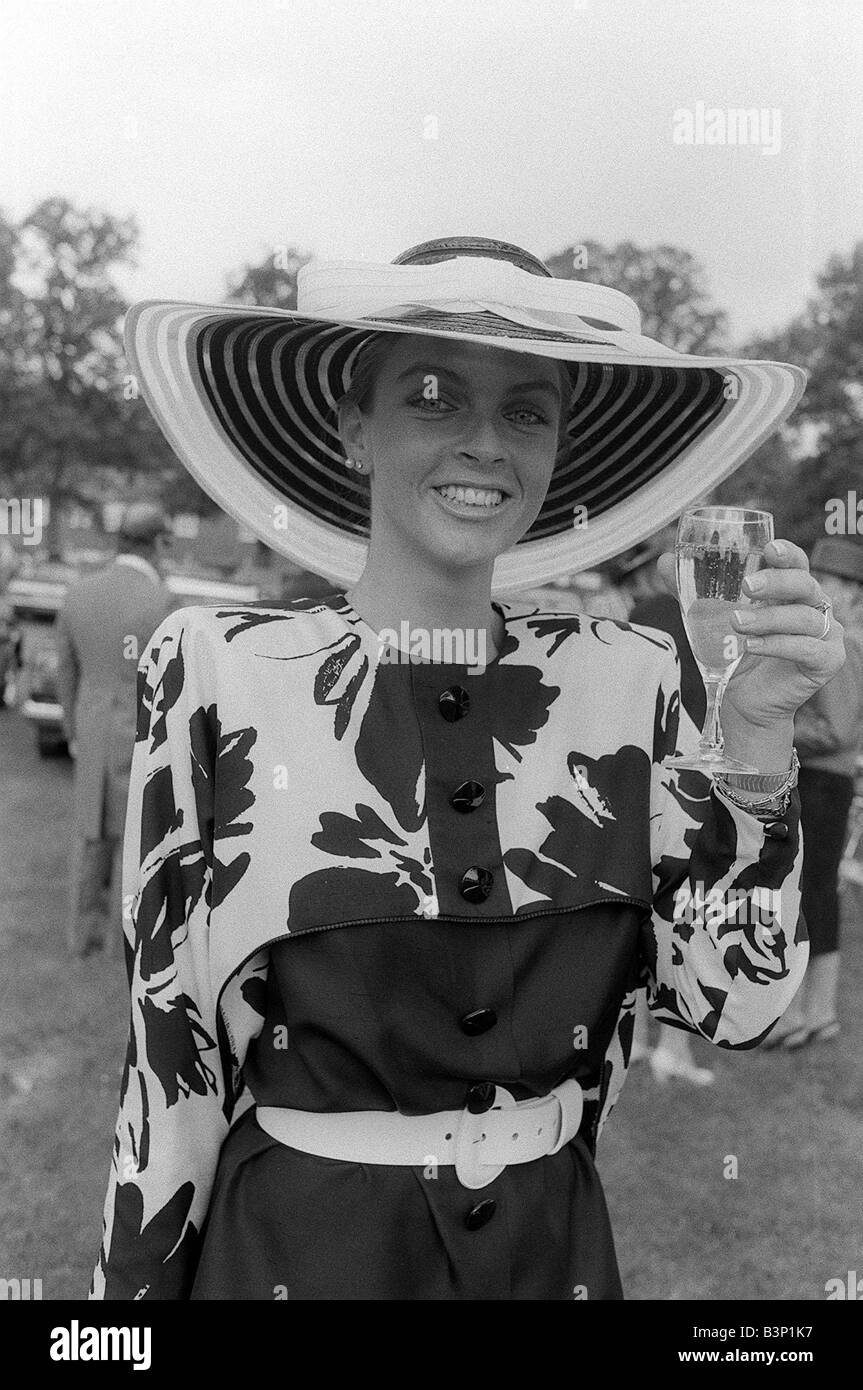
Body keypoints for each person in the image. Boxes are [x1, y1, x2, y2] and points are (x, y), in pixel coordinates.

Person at [89, 237, 843, 1301]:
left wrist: (756, 736)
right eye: (434, 396)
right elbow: (166, 1071)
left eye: (527, 409)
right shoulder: (218, 672)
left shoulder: (631, 678)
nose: (486, 442)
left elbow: (741, 1004)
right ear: (354, 424)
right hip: (296, 1261)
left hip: (552, 1258)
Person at [55, 503, 177, 958]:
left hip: (90, 729)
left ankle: (79, 937)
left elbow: (67, 671)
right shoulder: (161, 600)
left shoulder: (79, 592)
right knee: (134, 843)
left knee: (90, 834)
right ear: (156, 544)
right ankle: (119, 945)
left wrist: (72, 728)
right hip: (141, 735)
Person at [763, 535, 863, 1049]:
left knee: (812, 894)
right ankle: (812, 1012)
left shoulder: (841, 643)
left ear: (850, 593)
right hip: (820, 782)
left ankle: (811, 1011)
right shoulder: (832, 638)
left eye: (833, 583)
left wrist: (774, 721)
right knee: (811, 893)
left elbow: (838, 731)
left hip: (823, 781)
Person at [625, 530, 715, 1085]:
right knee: (685, 909)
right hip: (689, 774)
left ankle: (636, 1039)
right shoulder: (687, 619)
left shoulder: (638, 617)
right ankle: (672, 1047)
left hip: (644, 773)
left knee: (640, 902)